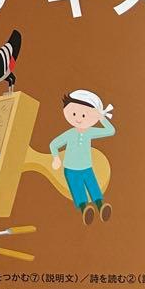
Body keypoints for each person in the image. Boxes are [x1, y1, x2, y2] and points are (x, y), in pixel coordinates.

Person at [49, 89, 116, 225]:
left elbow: (111, 131)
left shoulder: (90, 132)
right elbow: (54, 144)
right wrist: (56, 158)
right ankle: (85, 210)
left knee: (93, 187)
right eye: (74, 113)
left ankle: (101, 206)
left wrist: (101, 117)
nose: (78, 119)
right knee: (78, 191)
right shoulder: (70, 133)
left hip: (87, 168)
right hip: (70, 169)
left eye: (84, 115)